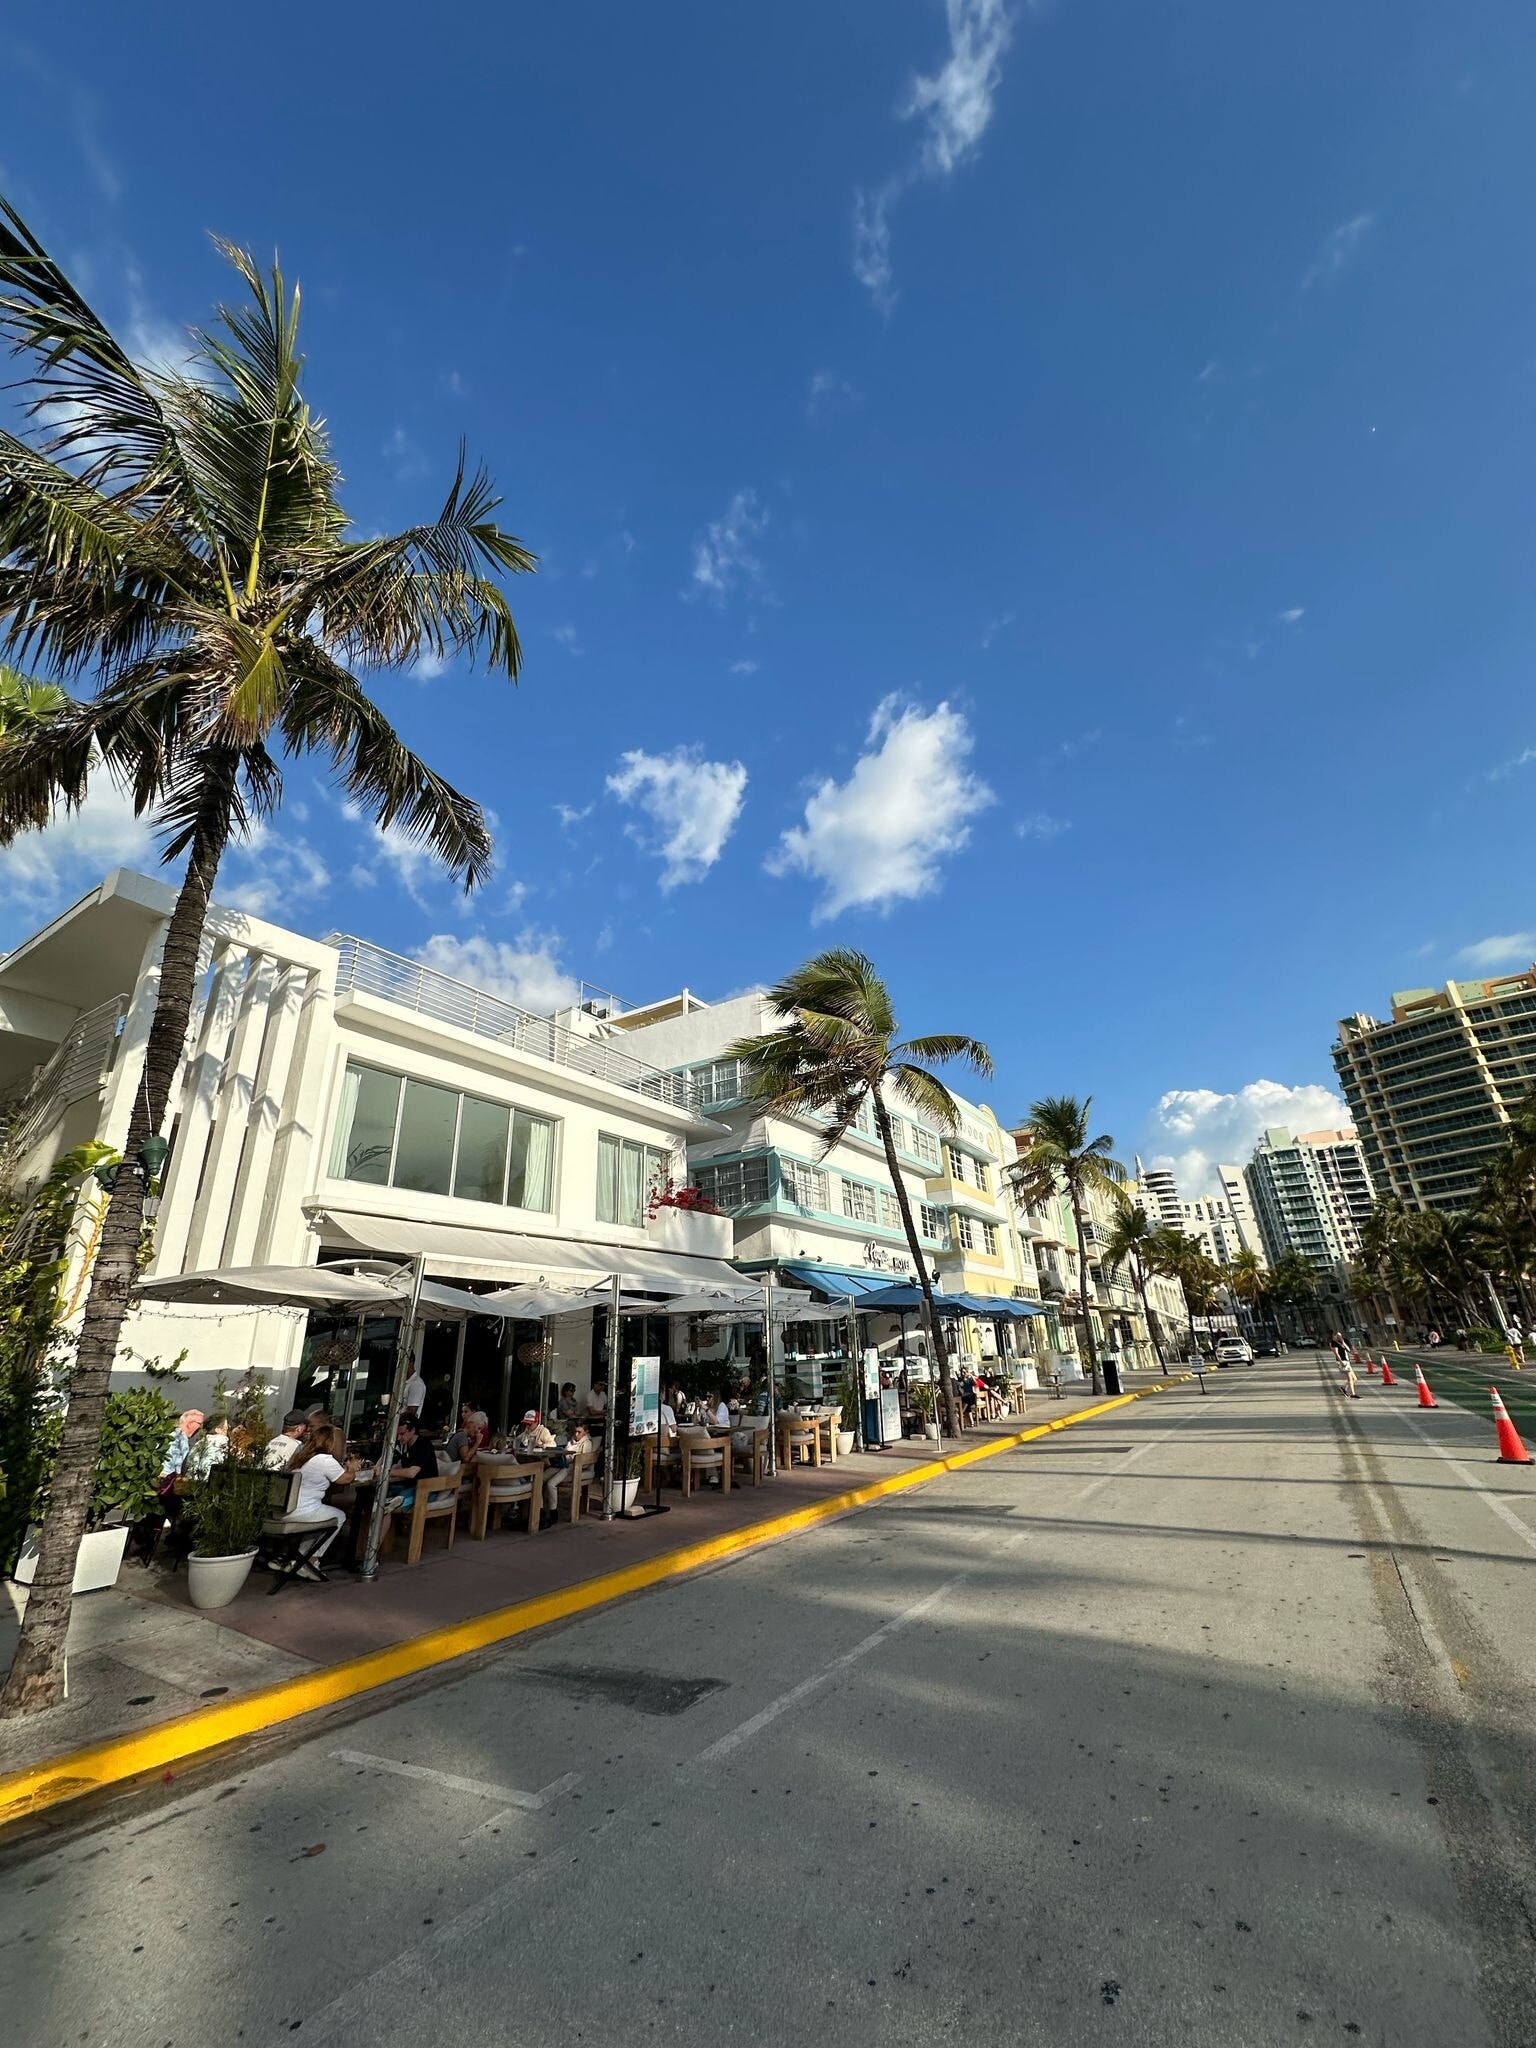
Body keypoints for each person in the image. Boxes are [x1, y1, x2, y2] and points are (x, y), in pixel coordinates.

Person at [289, 1420, 359, 1566]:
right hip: (302, 1511)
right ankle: (313, 1558)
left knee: (321, 1517)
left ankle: (300, 1559)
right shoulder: (324, 1460)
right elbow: (345, 1479)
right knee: (339, 1516)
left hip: (287, 1508)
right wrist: (352, 1468)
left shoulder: (300, 1457)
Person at [385, 1416, 439, 1511]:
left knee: (389, 1505)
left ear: (413, 1430)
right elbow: (390, 1462)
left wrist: (387, 1471)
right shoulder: (403, 1445)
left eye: (402, 1434)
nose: (399, 1438)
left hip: (426, 1489)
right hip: (410, 1486)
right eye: (397, 1434)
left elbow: (411, 1473)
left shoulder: (424, 1445)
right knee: (382, 1495)